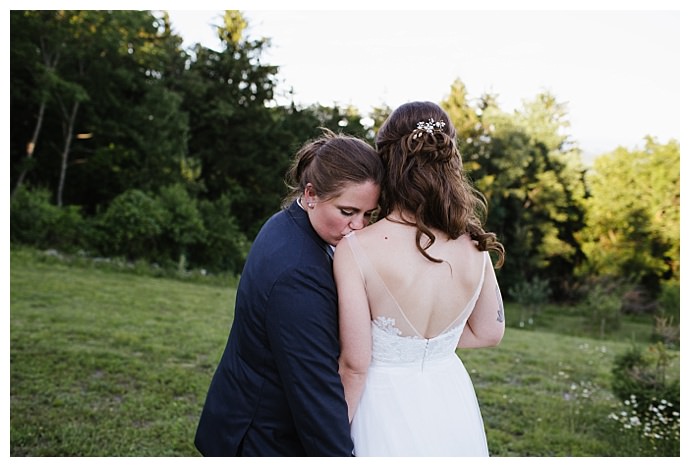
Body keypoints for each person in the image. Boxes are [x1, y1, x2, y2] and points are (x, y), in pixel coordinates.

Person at [194, 129, 384, 456]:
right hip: (262, 438)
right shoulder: (299, 273)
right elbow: (313, 389)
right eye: (347, 212)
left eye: (368, 214)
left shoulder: (288, 223)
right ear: (311, 195)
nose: (359, 227)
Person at [334, 101, 506, 456]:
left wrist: (330, 439)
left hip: (381, 405)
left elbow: (354, 365)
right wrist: (430, 349)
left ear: (387, 162)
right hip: (449, 399)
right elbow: (490, 332)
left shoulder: (357, 248)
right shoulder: (474, 243)